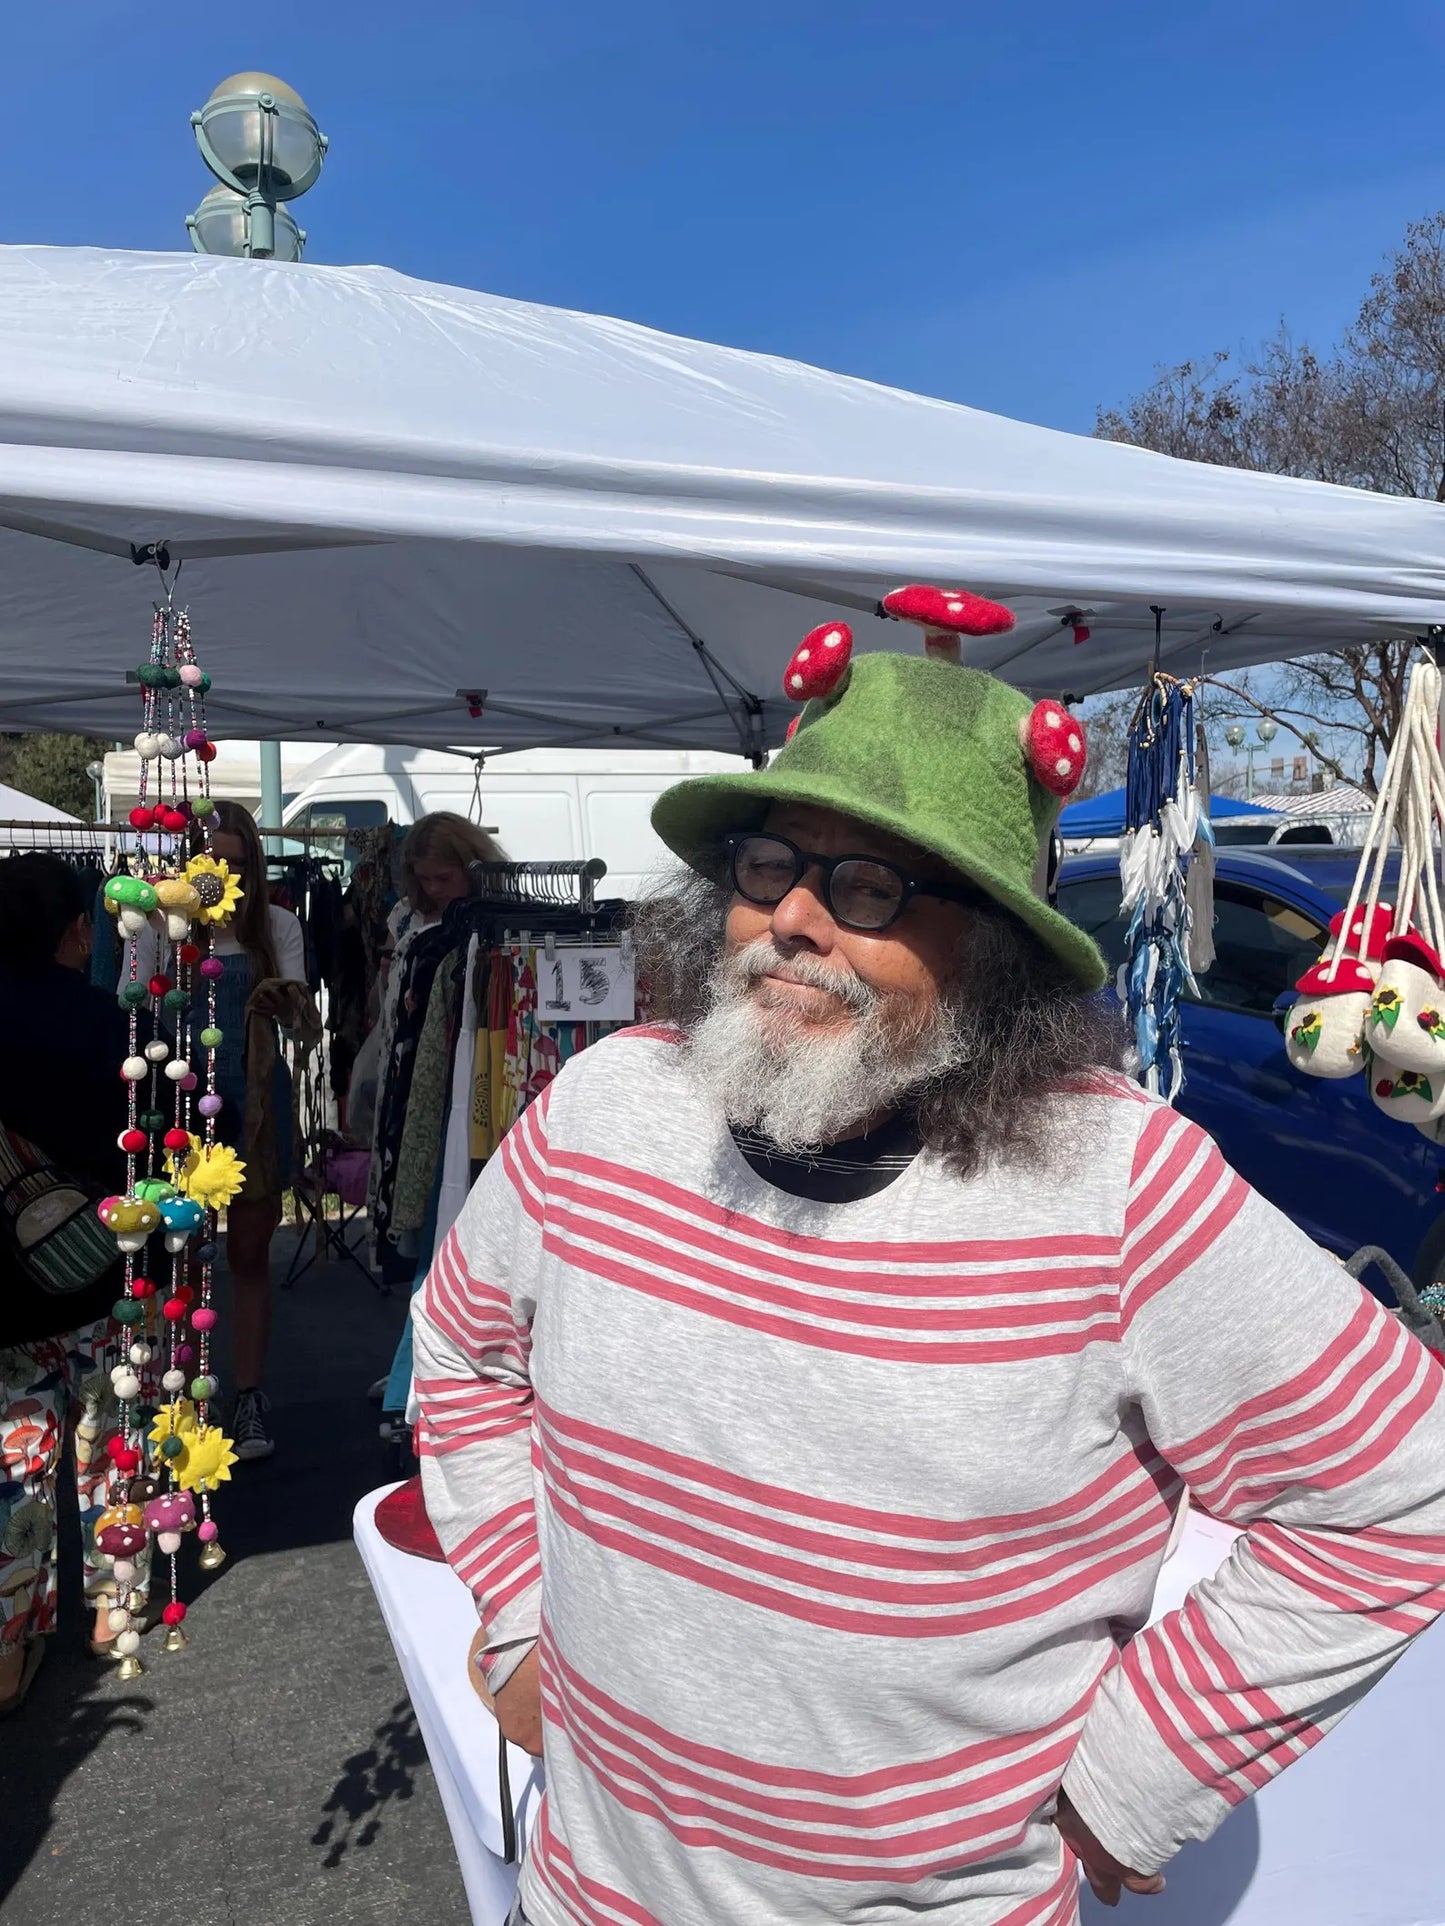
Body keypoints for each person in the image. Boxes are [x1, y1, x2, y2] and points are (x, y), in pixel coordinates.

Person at [413, 615, 1445, 1926]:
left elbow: (1401, 1497)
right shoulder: (602, 1110)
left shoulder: (1119, 1185)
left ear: (993, 952)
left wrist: (1130, 1780)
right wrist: (515, 1615)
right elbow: (460, 1349)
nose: (790, 915)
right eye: (768, 860)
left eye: (869, 886)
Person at [0, 857, 149, 1707]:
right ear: (69, 930)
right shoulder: (109, 1025)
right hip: (102, 1271)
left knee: (15, 1470)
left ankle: (9, 1650)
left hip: (4, 1294)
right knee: (108, 1440)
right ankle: (111, 1605)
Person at [127, 801, 311, 1462]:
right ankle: (179, 1398)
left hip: (256, 1105)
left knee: (249, 1257)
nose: (224, 872)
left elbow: (302, 1029)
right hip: (178, 1115)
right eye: (214, 860)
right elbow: (132, 1015)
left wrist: (286, 1004)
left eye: (237, 861)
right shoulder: (159, 927)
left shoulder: (279, 926)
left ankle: (250, 1393)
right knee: (182, 1258)